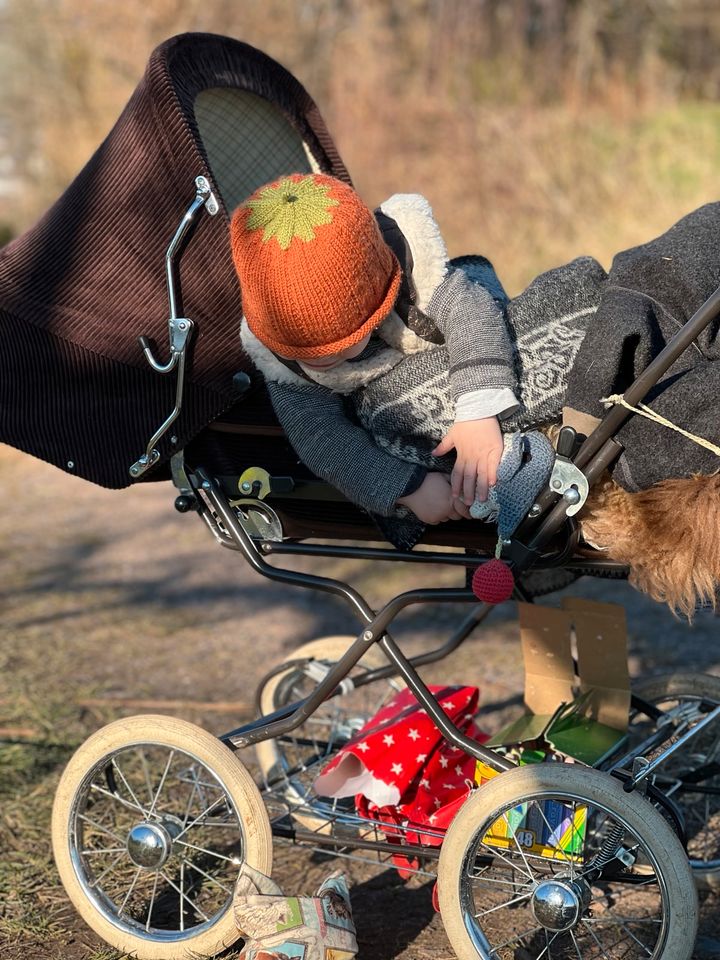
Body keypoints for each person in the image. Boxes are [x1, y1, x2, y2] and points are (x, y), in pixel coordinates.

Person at [230, 172, 603, 545]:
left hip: (460, 347)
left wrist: (477, 410)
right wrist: (410, 488)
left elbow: (473, 313)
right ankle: (505, 470)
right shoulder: (284, 365)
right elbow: (322, 439)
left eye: (346, 343)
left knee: (521, 321)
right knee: (381, 414)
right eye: (310, 354)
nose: (327, 361)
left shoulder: (417, 279)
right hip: (409, 414)